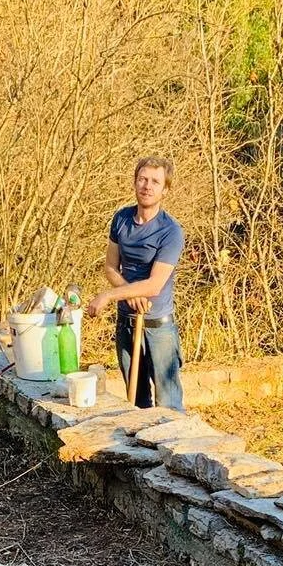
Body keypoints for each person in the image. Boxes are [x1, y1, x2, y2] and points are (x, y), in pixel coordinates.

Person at [86, 155, 184, 410]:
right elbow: (110, 267)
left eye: (155, 182)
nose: (147, 186)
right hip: (126, 325)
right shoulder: (121, 219)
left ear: (165, 190)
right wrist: (128, 294)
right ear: (135, 182)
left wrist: (109, 295)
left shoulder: (171, 231)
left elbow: (154, 285)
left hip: (158, 328)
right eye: (142, 179)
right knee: (137, 405)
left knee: (169, 406)